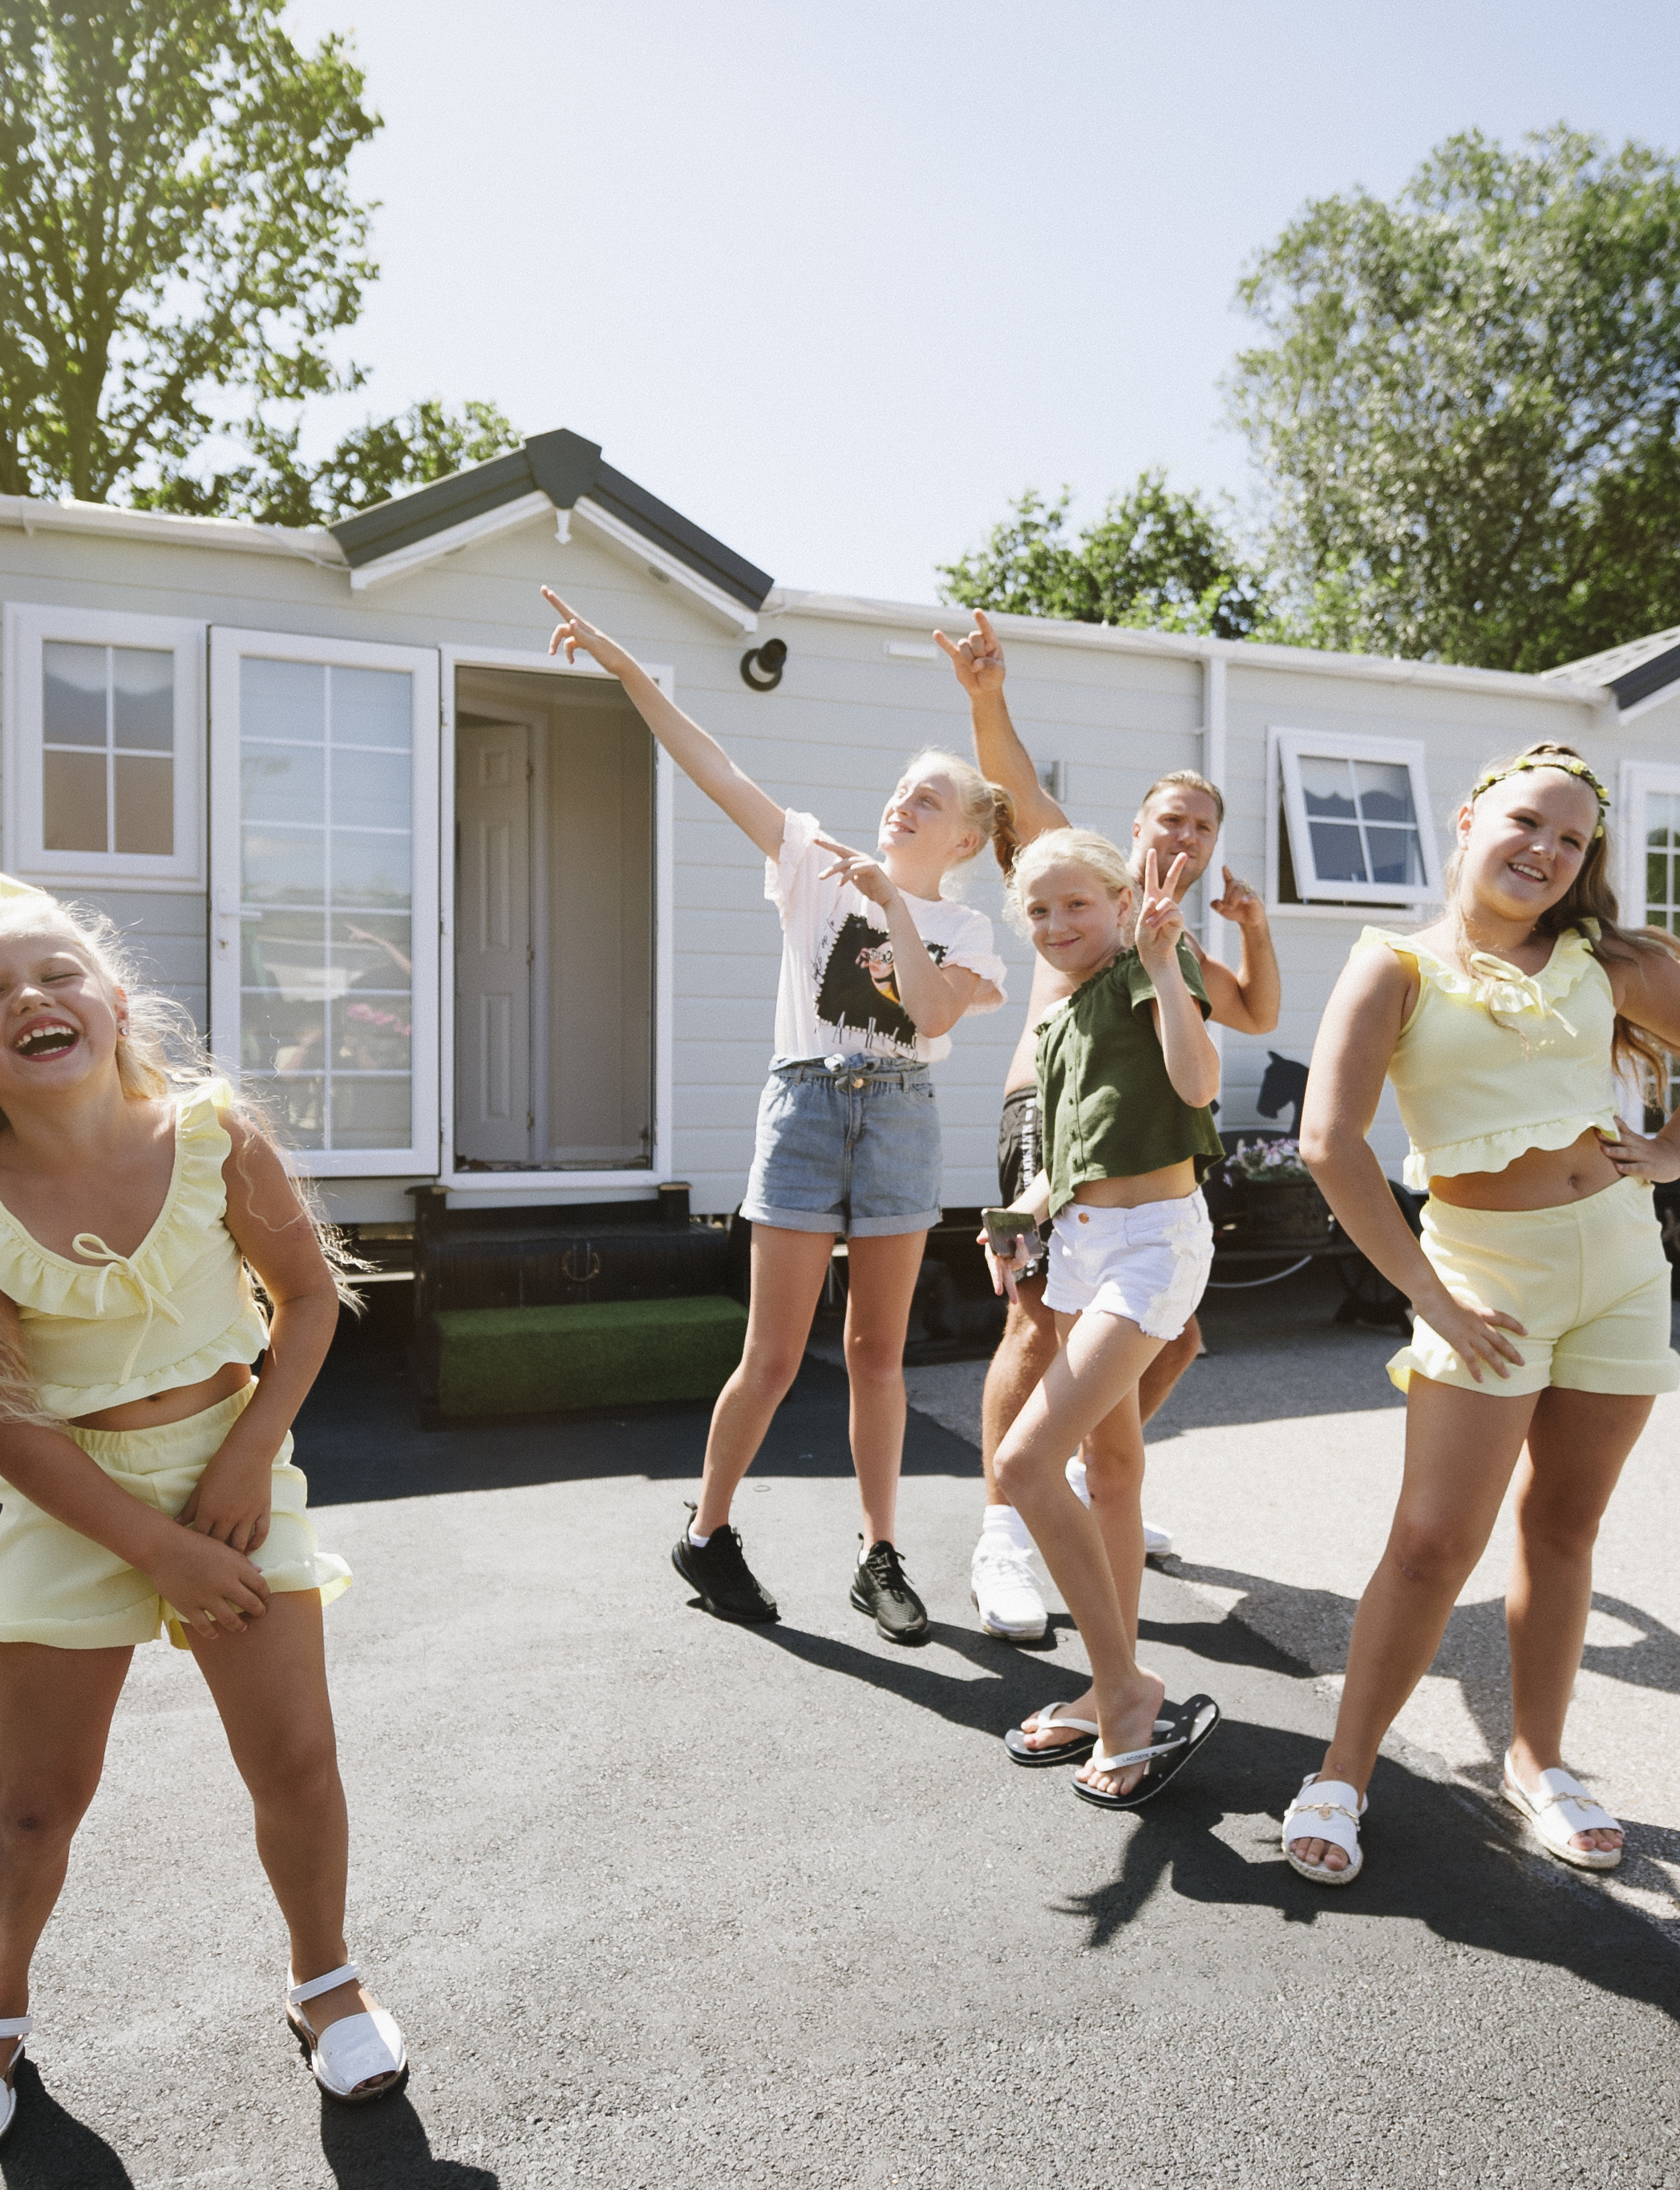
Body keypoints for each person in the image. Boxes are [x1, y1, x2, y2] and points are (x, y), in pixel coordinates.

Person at [0, 870, 403, 2175]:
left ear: (112, 1001)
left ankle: (327, 1983)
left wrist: (242, 1466)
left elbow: (304, 1303)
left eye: (55, 972)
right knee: (33, 1802)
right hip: (72, 1505)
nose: (28, 997)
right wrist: (156, 1548)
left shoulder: (212, 1134)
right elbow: (3, 1418)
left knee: (294, 1759)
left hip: (235, 1480)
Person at [1274, 746, 1680, 1887]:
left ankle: (1538, 1763)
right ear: (1466, 820)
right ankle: (1343, 1773)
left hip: (1621, 1267)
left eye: (1571, 840)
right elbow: (1329, 1144)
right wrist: (1427, 1293)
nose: (1545, 851)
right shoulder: (1393, 966)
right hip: (1482, 1273)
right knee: (1434, 1541)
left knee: (1563, 1529)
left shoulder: (1606, 960)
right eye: (1525, 824)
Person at [541, 586, 1014, 1643]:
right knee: (773, 1352)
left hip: (900, 1119)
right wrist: (629, 670)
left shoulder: (969, 928)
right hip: (805, 1108)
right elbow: (717, 768)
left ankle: (877, 1553)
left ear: (969, 838)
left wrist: (892, 906)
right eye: (901, 788)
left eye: (930, 800)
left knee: (878, 1352)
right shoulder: (808, 861)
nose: (904, 804)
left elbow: (933, 1012)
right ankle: (707, 1531)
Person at [930, 611, 1283, 1640]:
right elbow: (1018, 790)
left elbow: (1256, 1014)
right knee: (1036, 1324)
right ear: (1136, 828)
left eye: (1200, 827)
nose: (1181, 836)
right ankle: (1007, 1528)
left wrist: (1256, 932)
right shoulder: (1079, 884)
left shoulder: (1168, 935)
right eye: (1167, 818)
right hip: (1049, 1118)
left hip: (1149, 1142)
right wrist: (987, 698)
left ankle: (1086, 1475)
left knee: (1173, 1336)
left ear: (1213, 845)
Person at [980, 829, 1228, 1805]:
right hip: (1081, 1245)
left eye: (1076, 903)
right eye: (1038, 911)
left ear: (1123, 902)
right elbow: (1070, 1155)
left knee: (1026, 1464)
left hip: (1151, 1247)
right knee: (1114, 1470)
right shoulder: (1063, 1015)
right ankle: (1105, 1680)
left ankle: (1128, 1692)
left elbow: (1198, 1082)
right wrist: (1016, 1216)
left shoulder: (1145, 967)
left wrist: (1165, 967)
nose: (1056, 925)